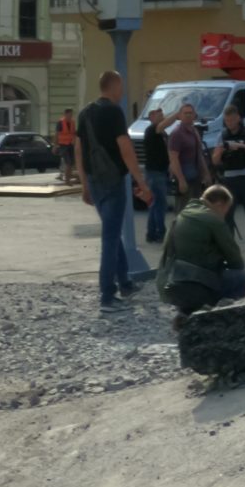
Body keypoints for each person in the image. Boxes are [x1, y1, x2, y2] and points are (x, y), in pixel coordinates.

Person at [73, 70, 148, 310]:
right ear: (114, 87)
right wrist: (141, 182)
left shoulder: (84, 113)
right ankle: (107, 294)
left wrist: (84, 183)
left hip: (95, 181)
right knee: (110, 237)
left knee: (113, 232)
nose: (123, 91)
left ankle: (125, 282)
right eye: (122, 86)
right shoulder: (113, 111)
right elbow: (125, 148)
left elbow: (78, 150)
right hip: (113, 180)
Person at [156, 183, 245, 316]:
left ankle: (185, 313)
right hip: (196, 286)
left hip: (171, 285)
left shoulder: (183, 215)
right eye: (227, 209)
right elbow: (236, 260)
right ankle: (227, 317)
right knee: (239, 277)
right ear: (219, 204)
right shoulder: (213, 219)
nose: (225, 214)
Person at [213, 107, 245, 260]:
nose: (230, 123)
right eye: (227, 121)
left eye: (232, 120)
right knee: (228, 216)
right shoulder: (222, 135)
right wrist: (221, 150)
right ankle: (230, 250)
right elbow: (215, 160)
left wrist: (242, 146)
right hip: (230, 179)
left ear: (238, 118)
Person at [139, 108, 174, 245]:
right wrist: (177, 114)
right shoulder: (152, 129)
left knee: (155, 204)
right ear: (152, 116)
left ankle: (152, 233)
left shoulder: (161, 131)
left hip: (160, 171)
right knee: (159, 204)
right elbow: (163, 125)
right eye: (159, 114)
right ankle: (160, 233)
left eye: (163, 114)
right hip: (155, 172)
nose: (163, 116)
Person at [166, 101, 208, 204]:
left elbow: (199, 155)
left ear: (194, 115)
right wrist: (181, 180)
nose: (188, 115)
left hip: (195, 179)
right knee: (183, 213)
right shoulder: (177, 134)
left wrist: (206, 174)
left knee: (196, 210)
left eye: (190, 113)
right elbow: (173, 159)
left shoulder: (194, 131)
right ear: (180, 116)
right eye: (185, 113)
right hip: (184, 179)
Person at [55, 107, 77, 184]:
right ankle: (67, 181)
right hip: (63, 145)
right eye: (69, 114)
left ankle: (68, 179)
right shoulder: (60, 122)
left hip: (71, 144)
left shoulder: (73, 122)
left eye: (71, 114)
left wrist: (74, 141)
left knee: (72, 163)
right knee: (68, 162)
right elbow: (57, 134)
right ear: (65, 114)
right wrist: (55, 145)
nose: (70, 116)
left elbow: (74, 133)